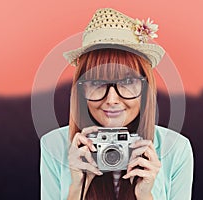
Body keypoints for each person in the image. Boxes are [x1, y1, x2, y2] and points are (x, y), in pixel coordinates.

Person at [40, 8, 193, 200]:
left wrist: (145, 195)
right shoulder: (54, 145)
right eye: (96, 83)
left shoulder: (176, 149)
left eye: (127, 82)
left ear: (145, 88)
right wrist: (76, 189)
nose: (111, 99)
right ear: (80, 90)